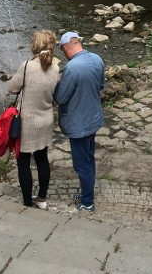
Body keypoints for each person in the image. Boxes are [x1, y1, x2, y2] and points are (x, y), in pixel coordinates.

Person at [6, 29, 60, 210]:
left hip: (28, 122)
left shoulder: (27, 66)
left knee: (23, 162)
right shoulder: (56, 68)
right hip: (46, 119)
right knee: (42, 159)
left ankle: (28, 203)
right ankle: (42, 198)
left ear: (35, 45)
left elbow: (12, 89)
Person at [53, 31, 105, 212]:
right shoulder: (97, 59)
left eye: (62, 50)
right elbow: (100, 85)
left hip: (78, 124)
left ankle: (87, 203)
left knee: (82, 164)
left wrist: (57, 82)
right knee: (89, 159)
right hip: (93, 118)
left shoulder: (72, 67)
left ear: (66, 47)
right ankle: (86, 194)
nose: (63, 54)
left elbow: (60, 97)